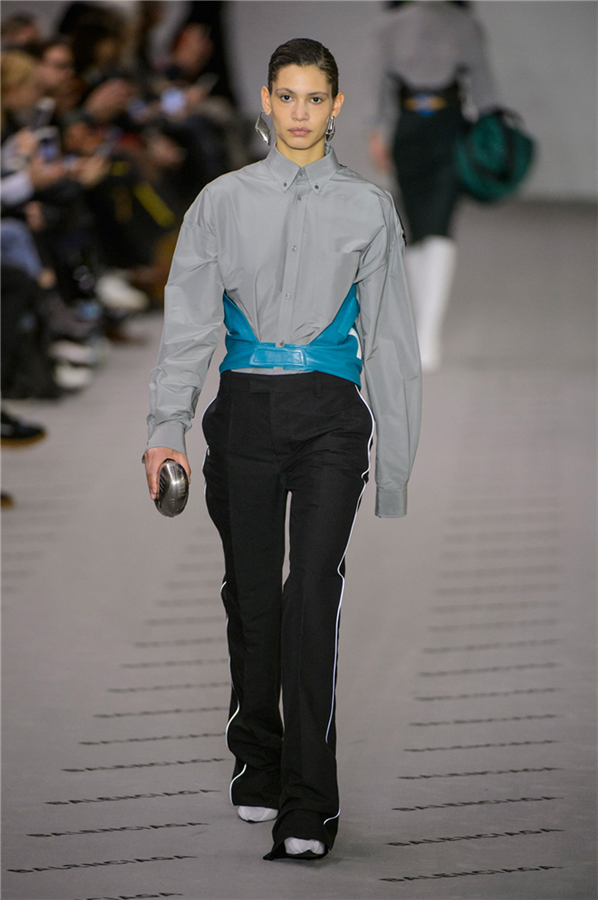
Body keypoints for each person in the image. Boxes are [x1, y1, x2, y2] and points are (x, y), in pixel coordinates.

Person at [144, 38, 421, 861]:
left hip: (332, 417)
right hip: (245, 416)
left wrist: (394, 470)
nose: (301, 113)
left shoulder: (368, 208)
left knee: (312, 598)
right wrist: (164, 431)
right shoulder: (220, 202)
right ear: (266, 101)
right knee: (254, 600)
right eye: (287, 96)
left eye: (315, 98)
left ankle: (309, 804)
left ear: (336, 107)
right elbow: (188, 327)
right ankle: (257, 757)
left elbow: (392, 343)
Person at [368, 0, 498, 371]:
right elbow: (485, 87)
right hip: (438, 127)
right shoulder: (460, 22)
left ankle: (428, 330)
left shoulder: (392, 24)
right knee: (422, 226)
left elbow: (484, 85)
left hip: (422, 127)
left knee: (433, 224)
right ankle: (424, 329)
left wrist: (375, 130)